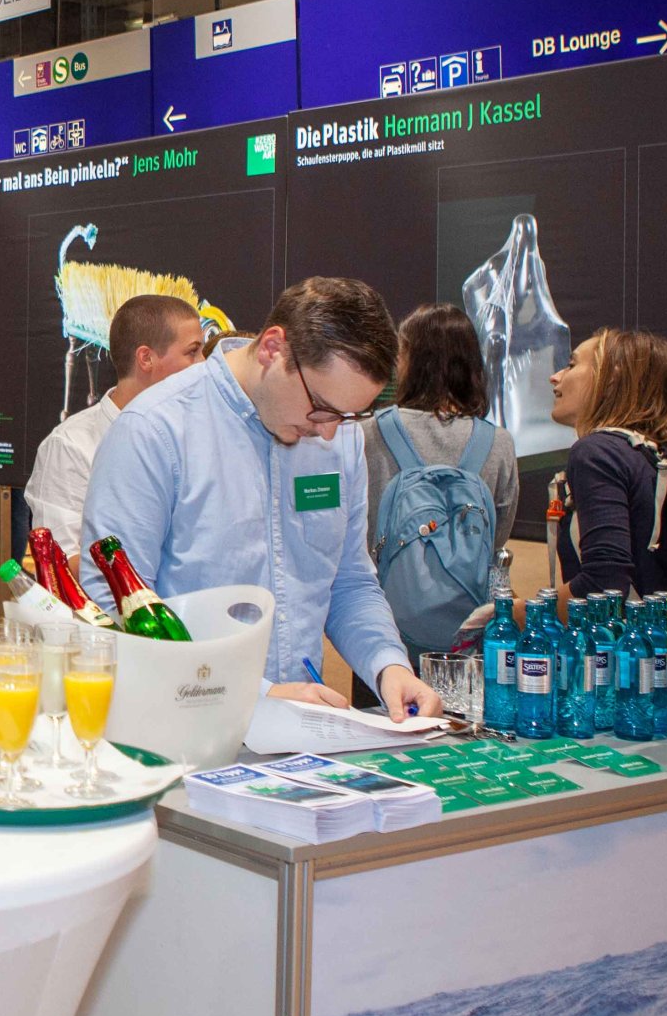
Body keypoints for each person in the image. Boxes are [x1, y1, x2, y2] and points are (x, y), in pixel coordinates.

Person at [79, 277, 441, 722]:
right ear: (273, 348)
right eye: (322, 407)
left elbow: (348, 580)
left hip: (301, 740)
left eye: (348, 416)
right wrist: (257, 695)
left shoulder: (340, 438)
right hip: (182, 730)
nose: (328, 431)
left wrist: (388, 665)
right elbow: (116, 609)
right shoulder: (155, 430)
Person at [26, 294, 207, 567]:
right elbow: (60, 563)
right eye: (192, 352)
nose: (204, 364)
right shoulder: (71, 445)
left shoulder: (196, 436)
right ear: (146, 358)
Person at [361, 302, 520, 555]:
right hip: (471, 593)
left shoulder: (369, 433)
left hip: (378, 592)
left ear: (413, 361)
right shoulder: (499, 443)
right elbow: (496, 538)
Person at [547, 328, 667, 601]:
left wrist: (514, 614)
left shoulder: (596, 453)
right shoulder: (653, 455)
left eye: (572, 365)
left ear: (611, 378)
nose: (555, 377)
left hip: (619, 641)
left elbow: (604, 585)